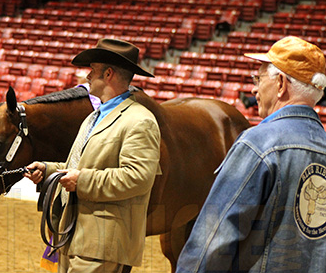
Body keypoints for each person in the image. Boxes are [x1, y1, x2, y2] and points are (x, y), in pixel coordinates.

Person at [176, 36, 326, 273]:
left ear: (281, 84)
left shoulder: (258, 143)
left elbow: (215, 236)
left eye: (259, 78)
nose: (254, 88)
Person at [24, 38, 161, 273]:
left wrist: (82, 181)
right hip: (76, 236)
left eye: (92, 70)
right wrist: (48, 170)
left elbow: (139, 177)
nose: (87, 76)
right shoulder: (94, 117)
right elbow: (77, 165)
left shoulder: (141, 121)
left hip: (104, 242)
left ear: (108, 74)